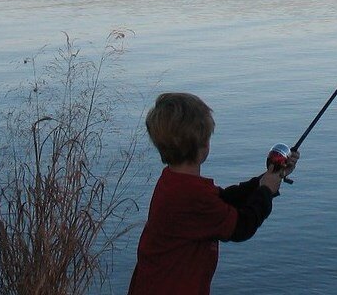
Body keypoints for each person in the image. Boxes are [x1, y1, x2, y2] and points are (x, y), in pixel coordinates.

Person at [128, 92, 299, 295]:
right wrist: (266, 190)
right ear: (202, 144)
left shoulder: (174, 182)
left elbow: (224, 199)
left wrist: (270, 177)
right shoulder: (191, 195)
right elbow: (241, 226)